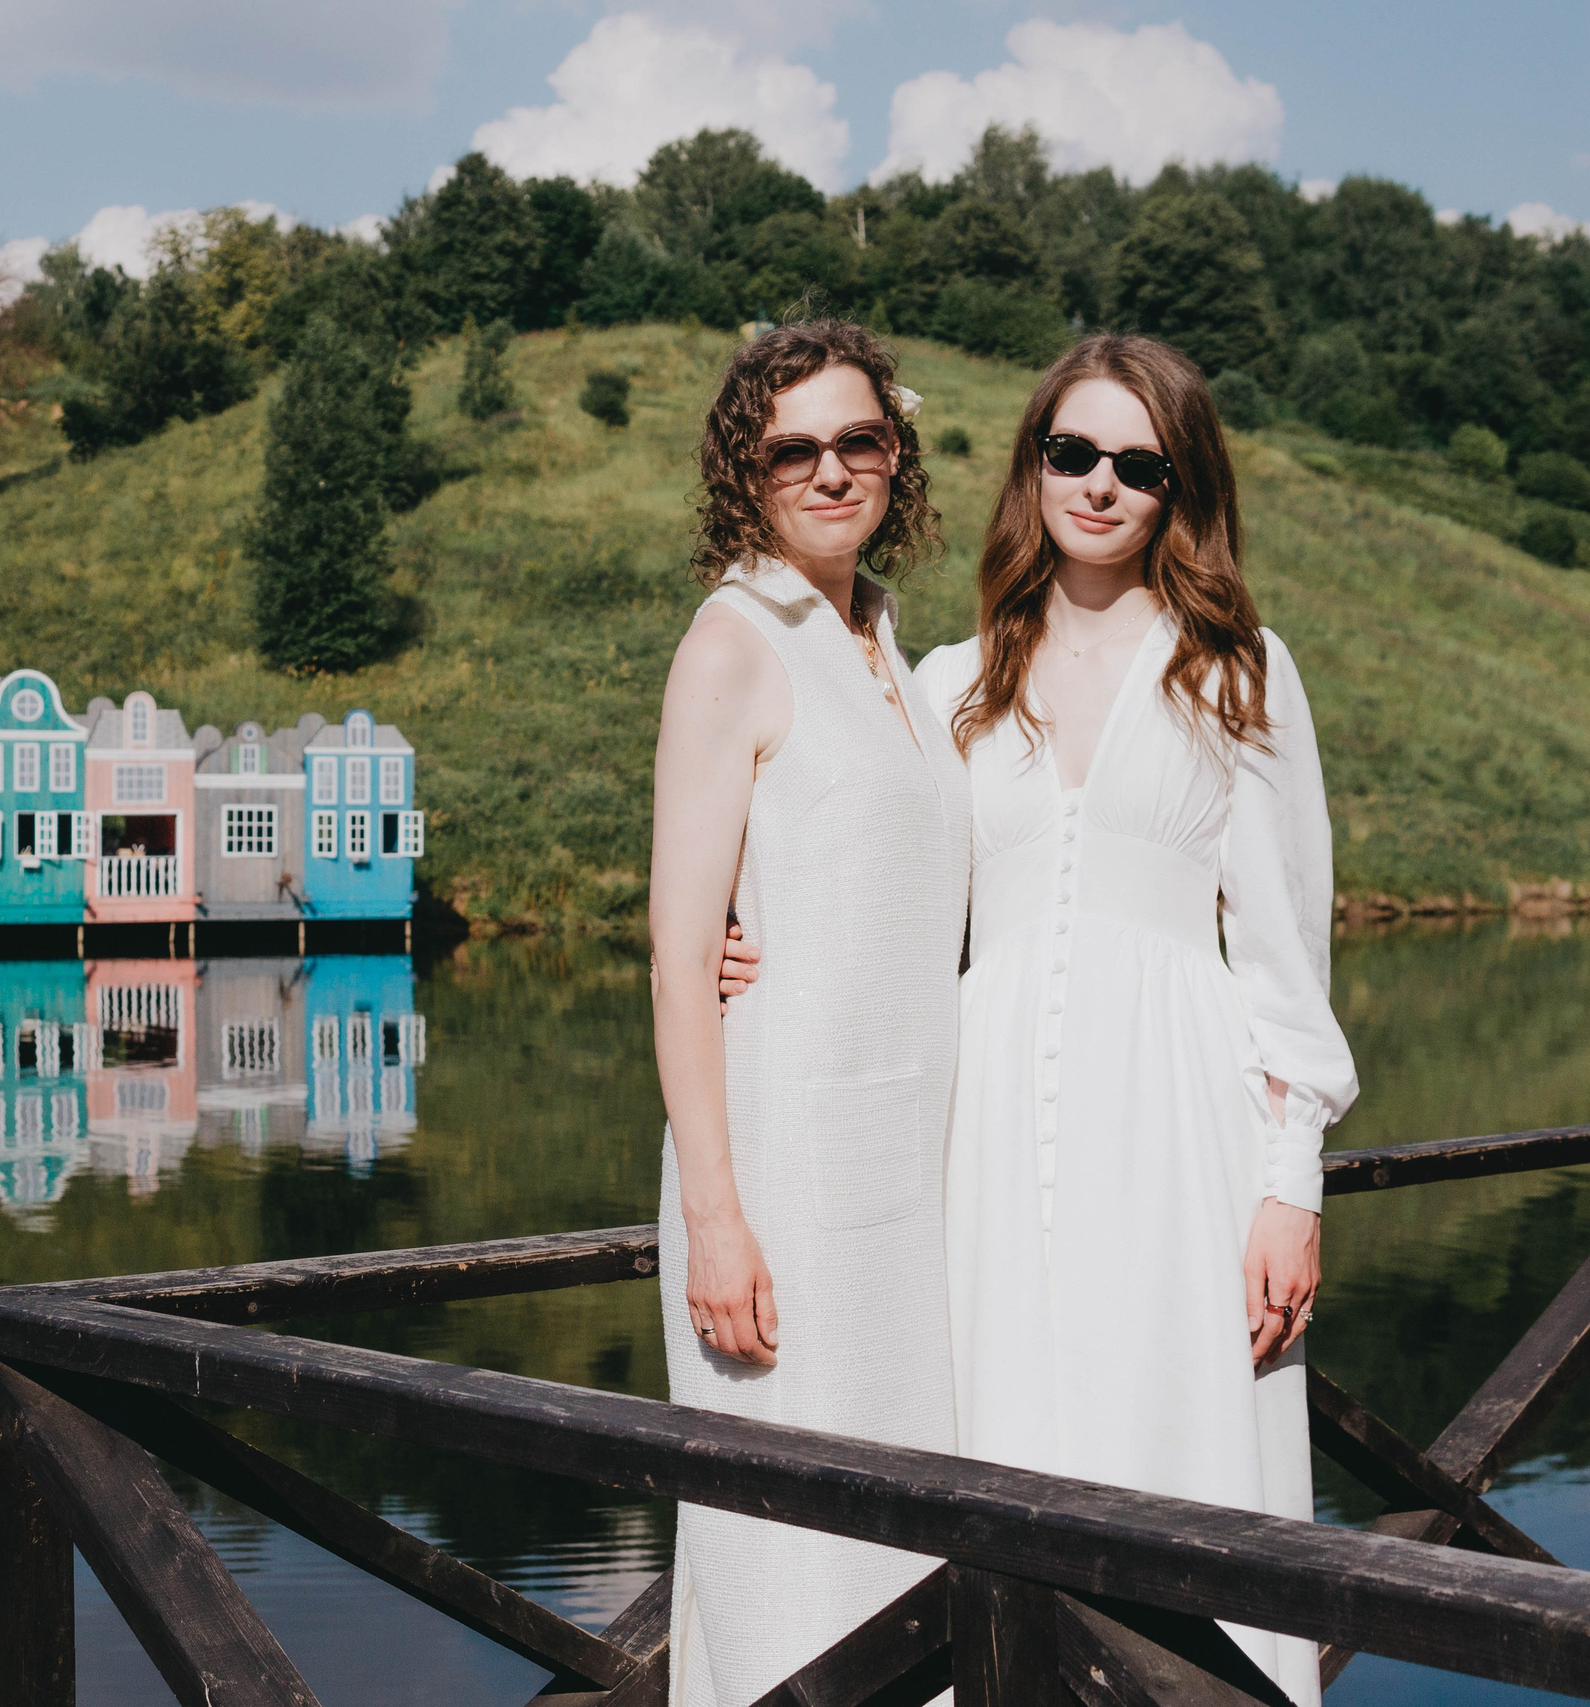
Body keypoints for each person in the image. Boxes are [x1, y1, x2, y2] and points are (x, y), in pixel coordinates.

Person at [721, 333, 1356, 1703]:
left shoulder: (1239, 671)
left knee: (1187, 1462)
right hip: (985, 1141)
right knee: (1004, 1465)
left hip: (1183, 1129)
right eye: (1075, 451)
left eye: (1142, 463)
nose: (1103, 485)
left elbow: (1288, 955)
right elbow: (856, 862)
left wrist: (1290, 1183)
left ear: (1178, 489)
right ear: (1034, 465)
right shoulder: (953, 677)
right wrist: (745, 933)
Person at [648, 320, 967, 1706]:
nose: (832, 470)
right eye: (795, 449)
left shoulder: (896, 645)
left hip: (910, 1177)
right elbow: (674, 961)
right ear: (747, 472)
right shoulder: (733, 642)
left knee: (911, 1553)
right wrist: (718, 1219)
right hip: (781, 1177)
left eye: (861, 440)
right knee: (793, 1553)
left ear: (896, 453)